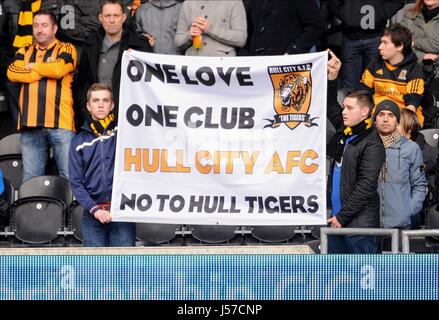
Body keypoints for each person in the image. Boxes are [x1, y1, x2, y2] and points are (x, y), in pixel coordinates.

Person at [7, 9, 77, 182]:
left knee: (69, 177)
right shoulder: (24, 50)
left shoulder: (66, 48)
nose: (39, 30)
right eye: (36, 26)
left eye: (44, 25)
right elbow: (12, 72)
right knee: (31, 179)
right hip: (29, 124)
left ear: (54, 29)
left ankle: (71, 210)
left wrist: (31, 67)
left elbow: (60, 69)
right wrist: (47, 69)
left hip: (61, 123)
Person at [326, 50, 386, 254]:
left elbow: (365, 187)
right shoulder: (346, 131)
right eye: (344, 107)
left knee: (364, 284)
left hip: (358, 227)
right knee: (337, 282)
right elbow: (329, 105)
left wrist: (342, 218)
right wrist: (332, 78)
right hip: (336, 223)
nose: (343, 112)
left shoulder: (372, 143)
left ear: (365, 112)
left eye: (349, 108)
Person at [68, 83, 136, 247]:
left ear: (112, 105)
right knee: (95, 270)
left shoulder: (124, 131)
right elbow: (76, 182)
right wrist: (95, 210)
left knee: (125, 268)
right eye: (95, 100)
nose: (100, 104)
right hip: (93, 215)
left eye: (105, 100)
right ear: (88, 106)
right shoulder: (78, 141)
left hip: (122, 212)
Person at [75, 0, 152, 126]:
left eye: (115, 16)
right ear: (100, 18)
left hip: (129, 116)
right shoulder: (90, 43)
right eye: (107, 16)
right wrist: (85, 111)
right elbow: (82, 82)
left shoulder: (140, 45)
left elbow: (148, 85)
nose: (111, 20)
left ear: (124, 17)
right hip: (95, 117)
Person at [374, 100, 427, 233]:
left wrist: (408, 211)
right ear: (374, 119)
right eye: (381, 114)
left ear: (397, 121)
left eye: (391, 115)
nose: (385, 119)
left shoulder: (411, 148)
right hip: (368, 225)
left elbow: (419, 185)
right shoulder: (365, 145)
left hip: (400, 225)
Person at [329, 0, 405, 90]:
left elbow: (397, 2)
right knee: (349, 85)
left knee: (376, 81)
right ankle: (349, 104)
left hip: (375, 37)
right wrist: (347, 14)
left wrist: (380, 14)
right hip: (350, 37)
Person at [360, 24, 425, 125]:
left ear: (399, 46)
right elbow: (363, 92)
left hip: (401, 118)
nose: (379, 47)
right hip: (376, 116)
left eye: (385, 43)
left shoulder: (414, 69)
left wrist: (399, 125)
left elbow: (412, 103)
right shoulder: (375, 63)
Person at [241, 0, 322, 56]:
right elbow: (249, 29)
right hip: (258, 64)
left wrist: (293, 51)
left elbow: (314, 26)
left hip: (286, 64)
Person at [175, 0, 247, 56]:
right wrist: (189, 35)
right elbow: (178, 41)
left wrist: (210, 29)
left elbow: (241, 38)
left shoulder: (234, 2)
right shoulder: (187, 3)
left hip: (222, 66)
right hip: (192, 66)